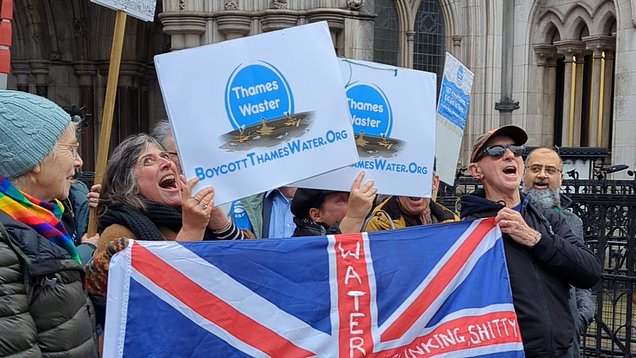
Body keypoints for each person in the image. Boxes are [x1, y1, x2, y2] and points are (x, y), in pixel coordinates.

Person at [459, 125, 601, 357]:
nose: (509, 155)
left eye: (516, 150)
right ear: (476, 171)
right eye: (496, 151)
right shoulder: (467, 229)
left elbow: (590, 272)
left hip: (560, 351)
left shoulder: (549, 219)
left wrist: (536, 239)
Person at [85, 134, 244, 332]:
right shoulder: (119, 234)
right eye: (148, 161)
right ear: (128, 185)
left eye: (165, 156)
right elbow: (144, 299)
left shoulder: (193, 216)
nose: (166, 163)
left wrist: (222, 227)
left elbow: (247, 271)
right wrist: (191, 231)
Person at [0, 90, 98, 356]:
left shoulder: (43, 221)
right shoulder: (6, 239)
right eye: (72, 149)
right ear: (35, 159)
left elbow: (63, 321)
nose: (79, 162)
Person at [522, 146, 596, 357]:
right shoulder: (511, 216)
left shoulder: (573, 222)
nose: (542, 175)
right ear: (523, 174)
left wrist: (581, 317)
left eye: (550, 170)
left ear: (560, 178)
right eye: (535, 168)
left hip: (565, 341)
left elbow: (583, 275)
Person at [364, 173, 458, 231]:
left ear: (434, 183)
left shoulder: (452, 222)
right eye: (408, 180)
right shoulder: (379, 224)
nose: (415, 188)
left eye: (421, 179)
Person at [291, 171, 376, 236]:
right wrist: (354, 217)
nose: (356, 203)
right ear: (316, 215)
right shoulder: (301, 248)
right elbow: (336, 253)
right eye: (342, 201)